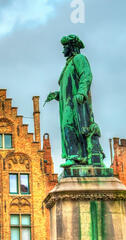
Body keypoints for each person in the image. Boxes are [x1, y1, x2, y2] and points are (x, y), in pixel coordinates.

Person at [46, 34, 104, 167]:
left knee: (70, 125)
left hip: (75, 103)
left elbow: (86, 75)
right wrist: (57, 94)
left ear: (71, 48)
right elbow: (68, 86)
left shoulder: (79, 58)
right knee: (67, 125)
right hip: (67, 102)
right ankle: (75, 156)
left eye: (65, 47)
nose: (62, 51)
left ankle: (75, 156)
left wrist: (82, 92)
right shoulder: (68, 64)